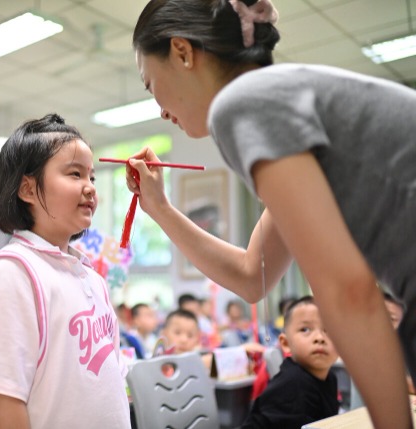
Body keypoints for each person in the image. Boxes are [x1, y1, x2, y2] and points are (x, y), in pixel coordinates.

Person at [128, 0, 416, 426]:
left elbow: (348, 291)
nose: (160, 108)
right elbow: (251, 275)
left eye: (151, 84)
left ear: (182, 52)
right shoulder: (275, 97)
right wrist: (160, 209)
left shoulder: (243, 103)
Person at [0, 113, 131, 429]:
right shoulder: (12, 272)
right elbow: (4, 398)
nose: (90, 188)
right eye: (75, 174)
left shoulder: (89, 275)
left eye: (91, 177)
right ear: (27, 189)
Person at [242, 296, 339, 428]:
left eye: (329, 330)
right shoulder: (293, 383)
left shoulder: (330, 378)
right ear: (285, 343)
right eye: (305, 329)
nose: (320, 338)